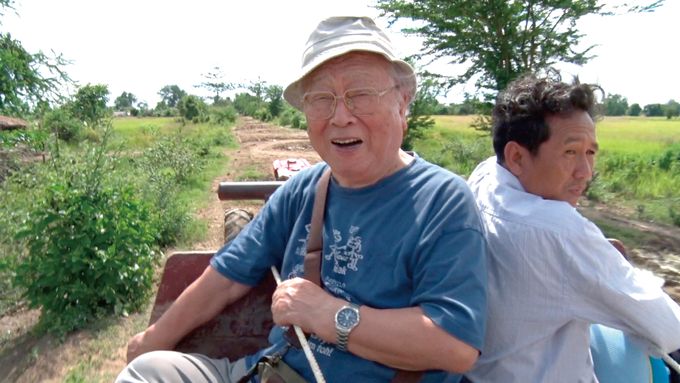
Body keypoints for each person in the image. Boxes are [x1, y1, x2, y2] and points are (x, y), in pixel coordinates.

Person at [116, 16, 488, 383]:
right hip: (267, 372)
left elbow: (454, 345)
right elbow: (225, 278)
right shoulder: (304, 189)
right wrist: (149, 342)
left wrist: (329, 315)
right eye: (322, 99)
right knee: (148, 374)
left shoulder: (442, 201)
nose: (340, 117)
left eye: (360, 95)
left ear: (402, 103)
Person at [464, 74, 680, 382]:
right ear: (516, 156)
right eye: (570, 152)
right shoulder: (560, 231)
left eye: (590, 152)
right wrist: (615, 265)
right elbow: (669, 328)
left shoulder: (486, 177)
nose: (586, 173)